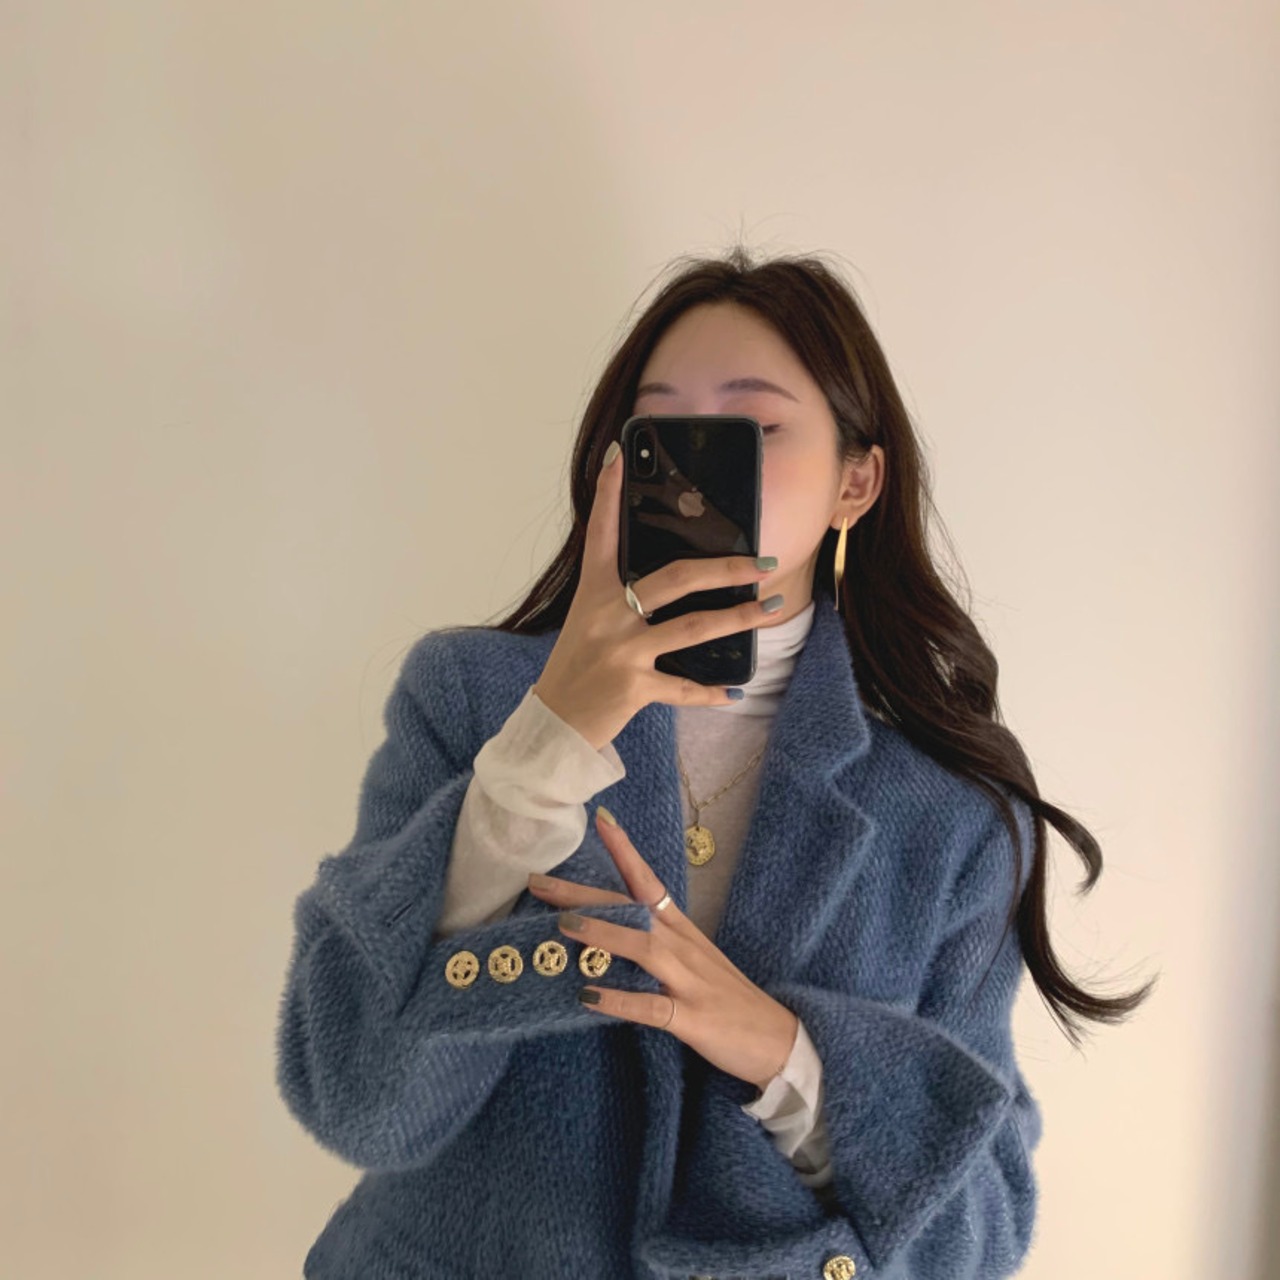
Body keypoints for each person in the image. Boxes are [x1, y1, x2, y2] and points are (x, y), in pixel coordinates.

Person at [275, 247, 1155, 1279]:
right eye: (661, 434)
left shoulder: (950, 820)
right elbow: (354, 1100)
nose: (695, 471)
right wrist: (542, 749)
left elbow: (975, 1235)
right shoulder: (466, 699)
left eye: (751, 430)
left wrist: (786, 1055)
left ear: (855, 481)